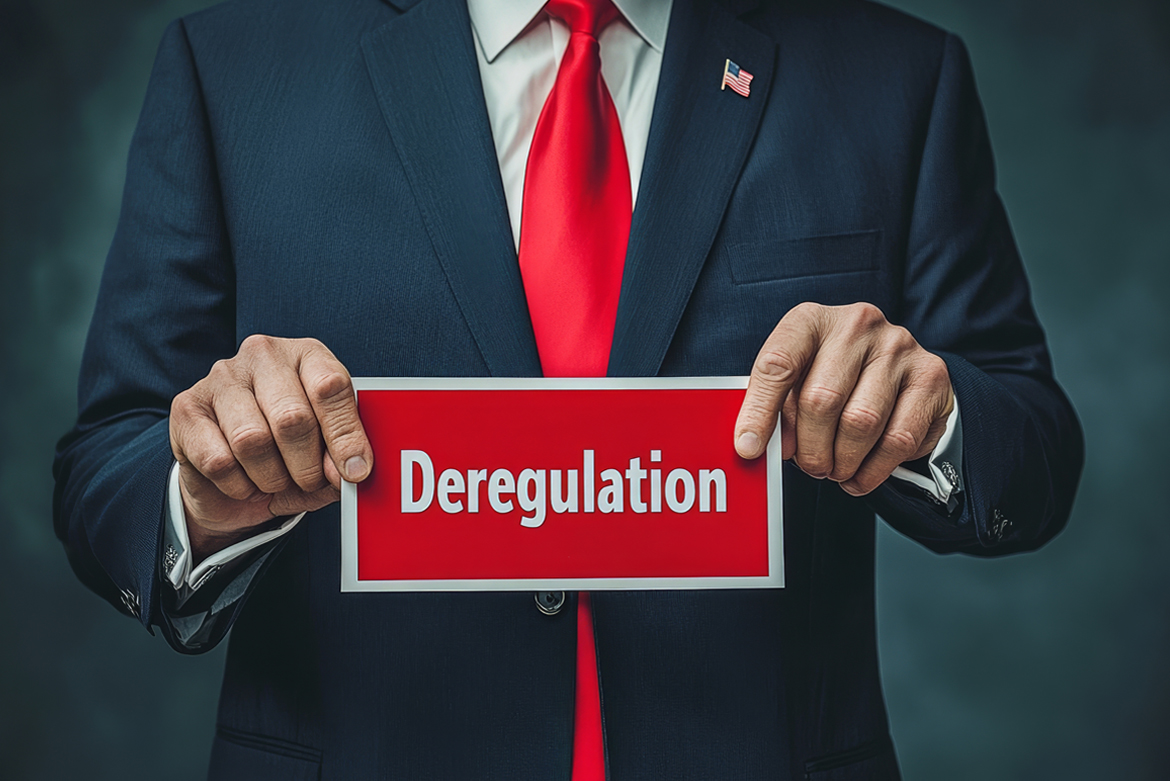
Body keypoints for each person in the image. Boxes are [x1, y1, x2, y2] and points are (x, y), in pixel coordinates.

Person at [53, 0, 1083, 777]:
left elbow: (1030, 451)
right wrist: (202, 499)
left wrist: (932, 415)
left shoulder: (894, 76)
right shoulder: (232, 66)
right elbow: (108, 463)